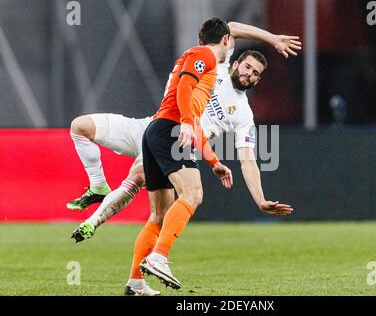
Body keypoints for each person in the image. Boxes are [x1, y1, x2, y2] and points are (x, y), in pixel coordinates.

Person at [67, 21, 300, 295]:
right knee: (191, 194)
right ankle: (155, 254)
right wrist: (272, 38)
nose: (249, 74)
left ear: (259, 81)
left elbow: (248, 159)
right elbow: (230, 28)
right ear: (235, 61)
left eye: (256, 74)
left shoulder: (244, 116)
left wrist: (259, 199)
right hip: (169, 128)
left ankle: (135, 282)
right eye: (248, 67)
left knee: (158, 214)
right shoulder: (215, 64)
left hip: (178, 137)